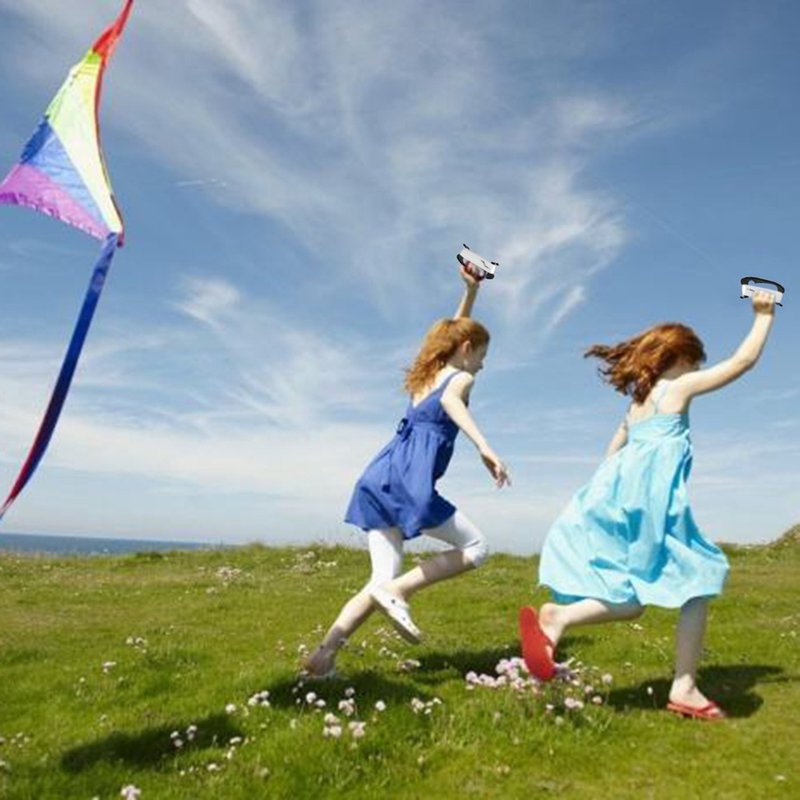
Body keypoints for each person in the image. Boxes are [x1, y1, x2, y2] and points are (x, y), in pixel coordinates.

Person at [520, 291, 777, 720]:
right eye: (694, 362)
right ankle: (684, 688)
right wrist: (764, 315)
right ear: (678, 358)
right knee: (702, 577)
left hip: (611, 499)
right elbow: (741, 362)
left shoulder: (637, 405)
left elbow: (612, 453)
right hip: (651, 505)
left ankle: (559, 617)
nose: (696, 370)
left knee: (632, 600)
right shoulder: (675, 389)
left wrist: (605, 497)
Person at [304, 267, 509, 679]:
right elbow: (453, 402)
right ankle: (397, 592)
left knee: (378, 579)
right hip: (409, 484)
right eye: (482, 357)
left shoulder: (428, 373)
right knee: (476, 547)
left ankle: (320, 661)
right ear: (467, 350)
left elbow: (449, 337)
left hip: (379, 478)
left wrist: (470, 293)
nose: (482, 367)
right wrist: (484, 447)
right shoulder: (459, 379)